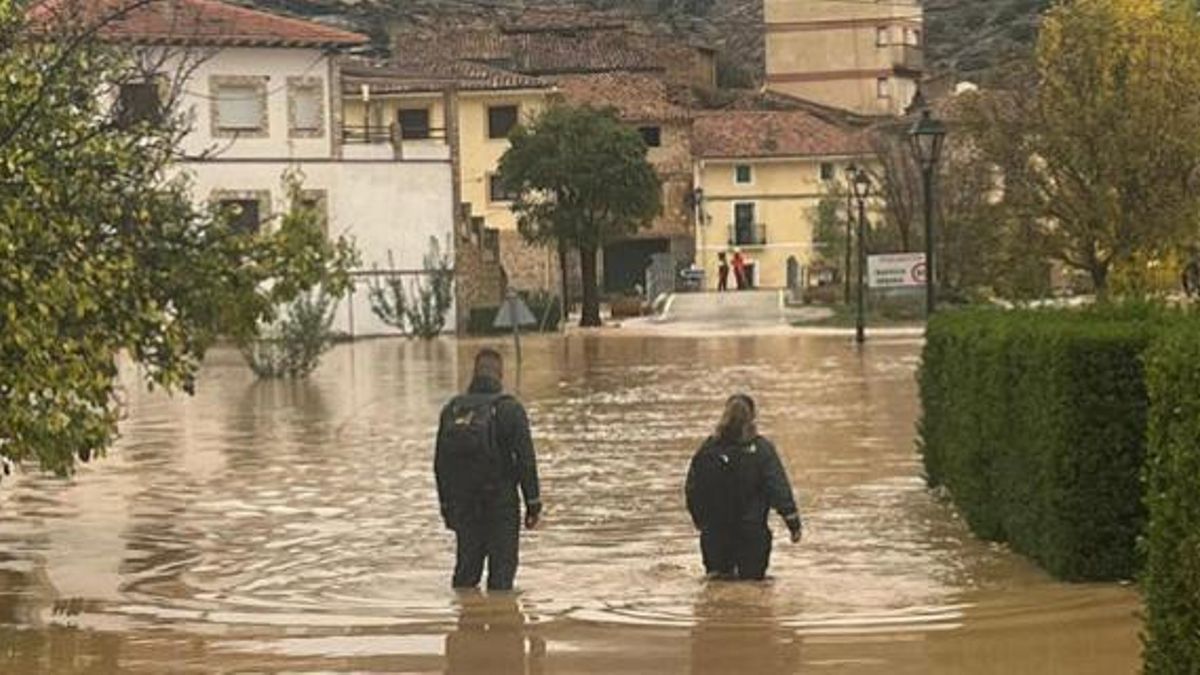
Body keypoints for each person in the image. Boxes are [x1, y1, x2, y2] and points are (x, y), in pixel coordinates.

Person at [435, 348, 542, 591]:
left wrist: (446, 507)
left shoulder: (452, 410)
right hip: (501, 503)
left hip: (464, 505)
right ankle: (501, 623)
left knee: (465, 575)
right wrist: (533, 504)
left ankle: (464, 622)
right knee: (502, 579)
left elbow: (440, 464)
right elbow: (526, 460)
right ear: (500, 375)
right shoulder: (510, 409)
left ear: (474, 373)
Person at [685, 394, 801, 581]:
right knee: (753, 588)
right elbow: (779, 489)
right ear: (753, 417)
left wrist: (701, 522)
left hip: (715, 535)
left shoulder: (708, 448)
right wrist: (793, 524)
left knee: (717, 587)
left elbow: (692, 489)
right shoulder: (762, 450)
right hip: (752, 536)